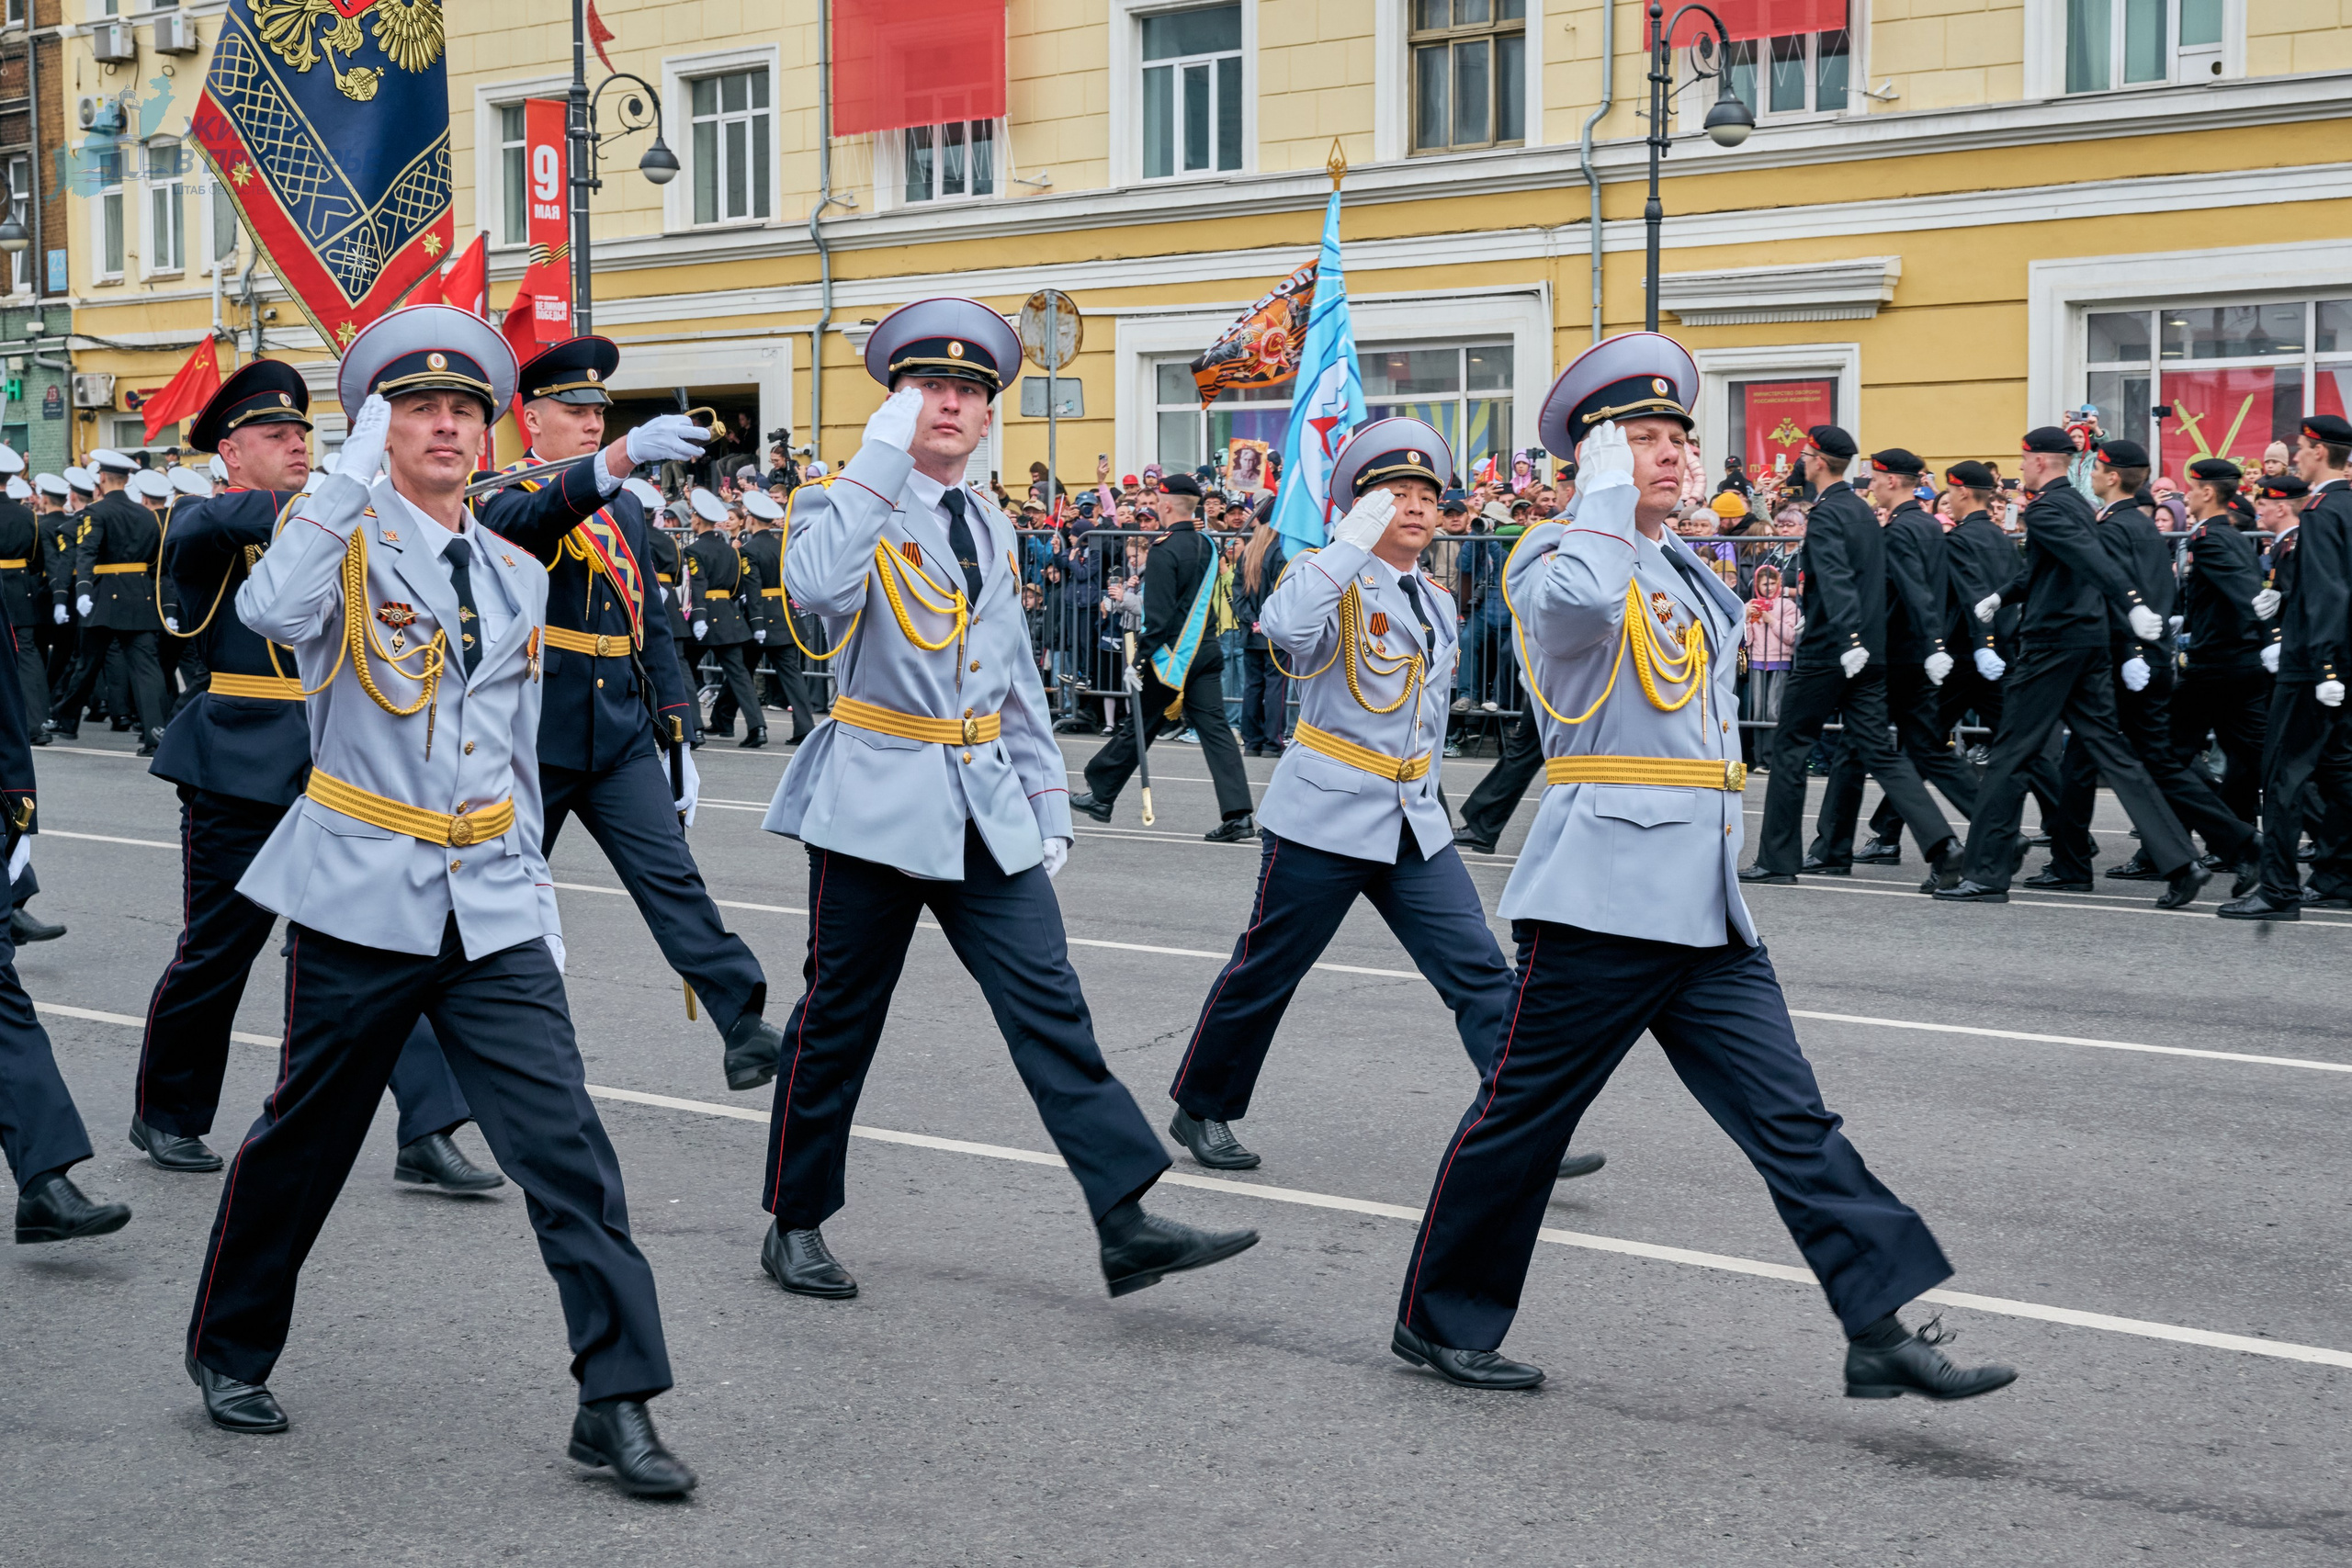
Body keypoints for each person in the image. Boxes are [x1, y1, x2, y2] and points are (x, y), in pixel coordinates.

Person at [1389, 332, 2014, 1403]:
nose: (1675, 453)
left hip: (1701, 902)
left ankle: (1875, 1321)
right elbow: (1581, 615)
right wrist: (1594, 502)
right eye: (1643, 437)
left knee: (1793, 1118)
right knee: (1521, 1122)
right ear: (1592, 462)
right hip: (1599, 899)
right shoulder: (1558, 555)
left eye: (1680, 434)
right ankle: (1437, 1320)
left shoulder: (1680, 565)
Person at [186, 305, 693, 1495]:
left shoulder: (515, 572)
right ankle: (231, 1342)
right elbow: (267, 611)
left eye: (466, 408)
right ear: (381, 428)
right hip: (364, 893)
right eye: (421, 409)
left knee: (569, 1147)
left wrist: (539, 897)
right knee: (304, 1136)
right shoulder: (337, 548)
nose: (449, 427)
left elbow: (510, 758)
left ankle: (616, 1398)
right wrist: (352, 464)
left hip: (491, 906)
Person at [757, 297, 1257, 1303]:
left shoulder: (985, 516)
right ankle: (795, 1219)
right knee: (840, 1019)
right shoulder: (842, 501)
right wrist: (875, 462)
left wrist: (1046, 794)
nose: (949, 404)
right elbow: (813, 591)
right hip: (874, 796)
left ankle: (1123, 1218)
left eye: (968, 393)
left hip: (983, 798)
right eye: (928, 387)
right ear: (897, 402)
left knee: (1050, 1004)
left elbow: (1012, 673)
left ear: (990, 418)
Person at [1164, 417, 1600, 1183]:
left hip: (1410, 819)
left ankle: (1527, 1122)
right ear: (1361, 508)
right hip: (1325, 813)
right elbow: (1282, 623)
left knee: (1478, 971)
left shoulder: (1433, 598)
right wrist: (1350, 540)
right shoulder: (1329, 579)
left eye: (1427, 494)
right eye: (1395, 493)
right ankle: (1202, 1104)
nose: (1417, 505)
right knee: (1269, 966)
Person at [130, 358, 496, 1190]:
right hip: (240, 766)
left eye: (303, 432)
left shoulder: (343, 509)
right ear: (230, 451)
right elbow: (229, 529)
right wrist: (351, 483)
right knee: (219, 950)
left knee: (379, 945)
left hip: (342, 763)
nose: (297, 444)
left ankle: (427, 1126)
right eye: (276, 434)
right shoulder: (204, 516)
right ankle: (168, 1110)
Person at [467, 334, 786, 1092]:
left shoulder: (628, 518)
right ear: (529, 417)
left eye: (597, 413)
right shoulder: (499, 495)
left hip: (617, 732)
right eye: (572, 409)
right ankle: (431, 1104)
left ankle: (742, 1020)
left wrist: (677, 729)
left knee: (671, 877)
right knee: (485, 896)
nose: (589, 422)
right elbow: (535, 522)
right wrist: (611, 466)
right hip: (531, 733)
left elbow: (652, 625)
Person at [1937, 428, 2207, 906]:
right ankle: (2181, 860)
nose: (2020, 469)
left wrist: (2131, 602)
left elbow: (2089, 559)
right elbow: (2045, 571)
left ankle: (1986, 873)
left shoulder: (2045, 509)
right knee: (2114, 754)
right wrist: (2001, 596)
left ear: (2040, 461)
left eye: (2023, 460)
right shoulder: (2078, 505)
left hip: (2052, 644)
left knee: (2009, 756)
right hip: (2086, 642)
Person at [1743, 426, 1963, 889]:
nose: (1802, 462)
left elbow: (1837, 578)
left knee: (1790, 749)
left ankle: (1779, 859)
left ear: (1818, 461)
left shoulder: (1826, 515)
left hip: (1831, 649)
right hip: (1870, 652)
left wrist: (1848, 638)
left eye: (1805, 455)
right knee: (1881, 755)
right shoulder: (1864, 513)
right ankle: (1943, 846)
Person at [2042, 446, 2258, 892]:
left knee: (2124, 764)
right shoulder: (2140, 526)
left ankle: (2237, 846)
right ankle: (2073, 863)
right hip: (2144, 659)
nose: (2093, 477)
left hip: (2126, 662)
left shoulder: (2117, 528)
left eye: (2098, 470)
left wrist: (2131, 654)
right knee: (2139, 761)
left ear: (2114, 477)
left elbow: (2124, 598)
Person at [1805, 449, 1974, 874]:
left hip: (1897, 656)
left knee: (1859, 750)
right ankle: (1999, 834)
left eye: (1876, 480)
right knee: (1924, 751)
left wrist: (1867, 640)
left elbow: (1905, 595)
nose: (1872, 486)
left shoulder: (1899, 531)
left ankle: (1833, 849)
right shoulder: (1929, 525)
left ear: (1894, 482)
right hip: (1920, 657)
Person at [1071, 471, 1259, 842]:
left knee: (1139, 724)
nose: (1152, 505)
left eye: (1156, 500)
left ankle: (1101, 796)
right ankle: (1238, 814)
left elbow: (1156, 620)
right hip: (1204, 652)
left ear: (1168, 504)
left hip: (1170, 656)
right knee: (1217, 732)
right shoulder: (1207, 545)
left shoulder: (1163, 549)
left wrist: (1138, 662)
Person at [2220, 415, 2352, 919]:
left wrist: (2323, 669)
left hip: (2312, 665)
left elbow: (2328, 594)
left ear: (2319, 452)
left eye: (2299, 449)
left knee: (2283, 776)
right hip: (2339, 661)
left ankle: (2278, 888)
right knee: (2339, 772)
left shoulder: (2320, 511)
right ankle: (2340, 875)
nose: (2295, 457)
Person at [2170, 457, 2274, 834]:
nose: (2186, 496)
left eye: (2191, 489)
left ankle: (2211, 838)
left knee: (2168, 756)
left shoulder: (2211, 539)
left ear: (2208, 492)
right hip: (2236, 663)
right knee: (2251, 757)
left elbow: (2249, 598)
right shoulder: (2224, 535)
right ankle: (2240, 832)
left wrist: (2268, 637)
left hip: (2215, 666)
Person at [52, 448, 170, 753]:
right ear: (127, 479)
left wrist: (82, 591)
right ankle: (155, 732)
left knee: (87, 664)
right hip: (139, 595)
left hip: (104, 595)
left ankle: (66, 722)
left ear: (102, 478)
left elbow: (86, 553)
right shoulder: (148, 515)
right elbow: (158, 565)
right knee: (147, 668)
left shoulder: (96, 511)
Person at [734, 485, 820, 743]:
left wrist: (757, 621)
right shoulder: (782, 545)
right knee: (790, 675)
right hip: (785, 615)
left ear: (751, 520)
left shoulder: (749, 550)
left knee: (740, 670)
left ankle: (747, 725)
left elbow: (754, 589)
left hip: (762, 618)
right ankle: (804, 726)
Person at [684, 487, 766, 746]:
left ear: (697, 519)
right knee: (740, 675)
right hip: (728, 615)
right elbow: (734, 587)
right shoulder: (731, 550)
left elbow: (697, 584)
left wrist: (698, 616)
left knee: (684, 669)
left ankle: (694, 728)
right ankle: (758, 728)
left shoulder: (694, 551)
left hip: (705, 614)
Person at [1230, 519, 1288, 755]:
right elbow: (1281, 593)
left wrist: (1252, 620)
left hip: (1252, 630)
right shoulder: (1280, 552)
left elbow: (1238, 595)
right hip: (1272, 632)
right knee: (1276, 687)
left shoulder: (1248, 553)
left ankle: (1252, 742)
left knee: (1253, 687)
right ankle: (1272, 742)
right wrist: (1264, 622)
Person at [0, 447, 45, 738]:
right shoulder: (26, 515)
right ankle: (37, 722)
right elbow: (35, 558)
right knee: (27, 655)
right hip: (17, 589)